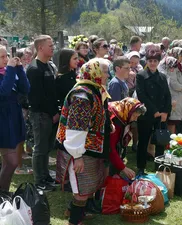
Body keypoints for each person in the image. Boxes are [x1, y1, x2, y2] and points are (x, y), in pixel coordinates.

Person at [56, 58, 111, 225]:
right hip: (79, 148)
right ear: (95, 73)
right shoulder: (82, 95)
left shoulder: (93, 90)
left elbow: (94, 117)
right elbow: (75, 128)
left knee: (86, 185)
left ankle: (74, 211)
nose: (108, 75)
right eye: (105, 72)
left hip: (88, 146)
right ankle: (74, 221)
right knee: (82, 188)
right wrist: (77, 155)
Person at [27, 35, 59, 192]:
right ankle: (39, 180)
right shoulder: (34, 69)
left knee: (47, 148)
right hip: (40, 114)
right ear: (40, 48)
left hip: (51, 114)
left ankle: (46, 176)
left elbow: (52, 92)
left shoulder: (50, 66)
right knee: (40, 148)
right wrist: (52, 112)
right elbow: (37, 96)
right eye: (50, 45)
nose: (53, 47)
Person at [136, 45, 171, 175]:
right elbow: (141, 95)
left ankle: (160, 167)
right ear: (146, 61)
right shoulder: (141, 75)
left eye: (155, 61)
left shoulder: (162, 76)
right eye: (150, 61)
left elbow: (168, 95)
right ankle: (141, 168)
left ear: (158, 62)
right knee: (143, 141)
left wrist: (166, 112)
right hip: (146, 114)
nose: (152, 63)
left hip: (161, 114)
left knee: (160, 142)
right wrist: (154, 111)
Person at [0, 45, 30, 194]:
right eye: (2, 57)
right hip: (3, 120)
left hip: (14, 116)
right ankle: (2, 191)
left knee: (8, 162)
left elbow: (25, 89)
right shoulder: (7, 72)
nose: (6, 59)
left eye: (6, 56)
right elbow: (4, 91)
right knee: (12, 162)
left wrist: (19, 69)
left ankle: (3, 191)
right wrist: (11, 70)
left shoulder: (8, 71)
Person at [108, 98, 147, 179]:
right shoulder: (115, 120)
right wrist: (123, 168)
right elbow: (110, 148)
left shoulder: (123, 117)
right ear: (129, 111)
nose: (135, 120)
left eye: (137, 117)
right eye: (134, 116)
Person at [158, 47, 182, 134]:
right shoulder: (171, 63)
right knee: (170, 122)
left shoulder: (173, 64)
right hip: (172, 95)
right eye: (181, 56)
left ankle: (171, 142)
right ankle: (168, 143)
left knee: (172, 122)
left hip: (175, 95)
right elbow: (173, 83)